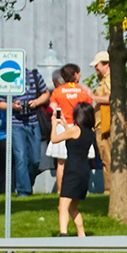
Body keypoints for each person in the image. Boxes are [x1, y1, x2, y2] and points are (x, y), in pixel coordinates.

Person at [0, 68, 50, 197]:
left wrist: (36, 102)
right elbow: (0, 103)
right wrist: (12, 105)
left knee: (35, 159)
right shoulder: (6, 77)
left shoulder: (34, 75)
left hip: (33, 121)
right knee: (20, 157)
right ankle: (23, 192)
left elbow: (46, 93)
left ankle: (27, 183)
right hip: (16, 123)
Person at [50, 101, 97, 237]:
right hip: (84, 171)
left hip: (72, 171)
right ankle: (81, 235)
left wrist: (54, 125)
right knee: (73, 207)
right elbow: (74, 138)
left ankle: (63, 235)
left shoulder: (74, 130)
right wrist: (65, 124)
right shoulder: (89, 133)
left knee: (62, 206)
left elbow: (54, 139)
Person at [46, 64, 93, 192]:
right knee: (81, 159)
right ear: (75, 74)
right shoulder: (82, 90)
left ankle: (60, 191)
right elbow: (89, 106)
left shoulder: (58, 91)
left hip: (62, 126)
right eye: (79, 72)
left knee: (61, 163)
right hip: (79, 127)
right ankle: (80, 189)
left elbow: (52, 108)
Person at [89, 51, 112, 194]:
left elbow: (112, 98)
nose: (95, 69)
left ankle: (110, 190)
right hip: (102, 125)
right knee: (107, 158)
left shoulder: (109, 80)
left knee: (108, 159)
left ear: (106, 65)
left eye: (97, 65)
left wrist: (93, 97)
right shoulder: (104, 80)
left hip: (106, 126)